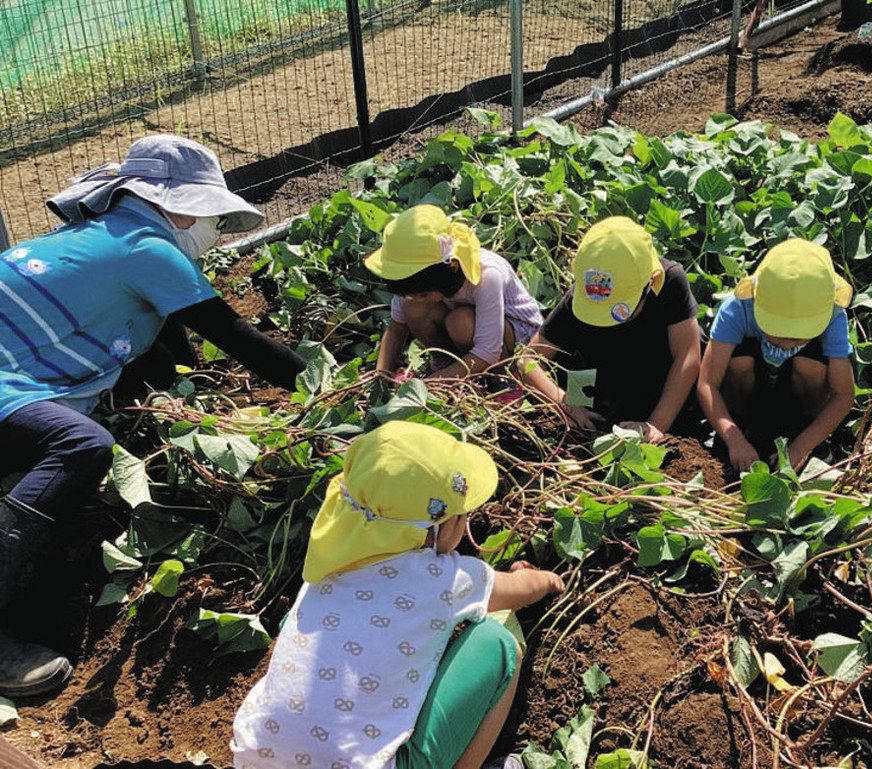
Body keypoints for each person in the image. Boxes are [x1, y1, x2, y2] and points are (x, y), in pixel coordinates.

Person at [0, 135, 306, 698]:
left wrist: (199, 401)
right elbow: (235, 336)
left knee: (83, 437)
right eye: (207, 211)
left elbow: (168, 348)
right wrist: (319, 387)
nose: (209, 225)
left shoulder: (104, 235)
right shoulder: (147, 248)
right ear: (180, 204)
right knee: (81, 447)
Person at [230, 421, 564, 769]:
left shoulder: (325, 567)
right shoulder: (442, 578)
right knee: (499, 643)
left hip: (256, 755)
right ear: (438, 528)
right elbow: (523, 591)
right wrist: (546, 579)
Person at [519, 217, 701, 443]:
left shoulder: (670, 282)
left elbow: (687, 356)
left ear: (651, 282)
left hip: (654, 382)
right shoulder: (585, 292)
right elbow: (527, 360)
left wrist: (656, 425)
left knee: (696, 340)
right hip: (598, 388)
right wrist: (563, 402)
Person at [697, 239, 856, 473]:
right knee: (740, 361)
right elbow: (708, 382)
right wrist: (735, 440)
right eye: (777, 330)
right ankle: (743, 429)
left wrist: (801, 447)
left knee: (812, 365)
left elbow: (844, 394)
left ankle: (803, 433)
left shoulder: (833, 316)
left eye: (798, 336)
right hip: (747, 396)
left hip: (799, 401)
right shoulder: (738, 308)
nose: (785, 341)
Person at [369, 206, 543, 381]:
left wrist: (428, 385)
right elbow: (396, 328)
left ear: (444, 276)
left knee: (460, 321)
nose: (415, 298)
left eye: (423, 295)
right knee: (413, 308)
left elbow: (488, 351)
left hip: (517, 341)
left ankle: (502, 379)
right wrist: (381, 375)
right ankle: (447, 365)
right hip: (471, 341)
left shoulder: (487, 275)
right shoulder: (412, 279)